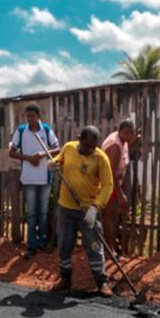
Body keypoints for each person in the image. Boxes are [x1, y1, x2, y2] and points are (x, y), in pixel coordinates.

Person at [49, 126, 115, 296]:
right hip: (66, 208)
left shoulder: (101, 158)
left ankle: (101, 282)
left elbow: (108, 186)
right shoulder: (68, 148)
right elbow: (59, 159)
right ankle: (65, 279)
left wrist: (95, 207)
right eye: (86, 146)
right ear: (78, 138)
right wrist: (54, 163)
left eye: (93, 146)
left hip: (88, 211)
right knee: (64, 244)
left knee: (94, 245)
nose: (89, 150)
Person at [9, 104, 60, 258]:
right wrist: (28, 158)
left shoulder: (46, 129)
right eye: (28, 116)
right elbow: (12, 152)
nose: (30, 119)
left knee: (43, 212)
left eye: (33, 116)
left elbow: (57, 148)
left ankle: (42, 242)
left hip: (45, 178)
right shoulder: (21, 131)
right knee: (31, 213)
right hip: (29, 178)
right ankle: (31, 244)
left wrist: (41, 154)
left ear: (39, 115)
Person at [101, 119, 138, 253]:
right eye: (126, 133)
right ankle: (109, 249)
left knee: (110, 215)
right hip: (108, 185)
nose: (129, 136)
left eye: (131, 133)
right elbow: (111, 171)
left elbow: (126, 146)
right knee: (108, 217)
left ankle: (108, 247)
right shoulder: (115, 145)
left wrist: (132, 139)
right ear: (120, 131)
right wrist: (120, 194)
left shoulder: (123, 141)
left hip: (112, 184)